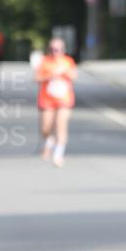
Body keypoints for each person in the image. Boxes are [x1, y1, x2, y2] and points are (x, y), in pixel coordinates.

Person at [35, 37, 77, 167]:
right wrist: (50, 75)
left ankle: (58, 154)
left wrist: (65, 73)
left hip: (64, 99)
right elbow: (36, 78)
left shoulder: (68, 61)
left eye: (58, 50)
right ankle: (49, 141)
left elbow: (74, 76)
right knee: (46, 128)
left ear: (63, 50)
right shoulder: (45, 61)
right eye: (52, 49)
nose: (55, 52)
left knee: (61, 124)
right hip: (47, 99)